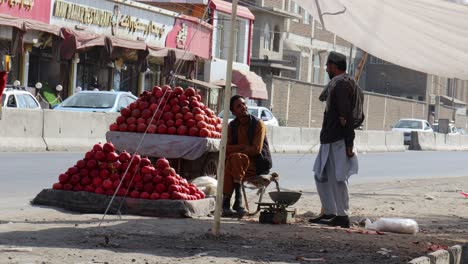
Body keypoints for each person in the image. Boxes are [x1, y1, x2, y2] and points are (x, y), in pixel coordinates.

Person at [309, 51, 359, 228]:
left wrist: (349, 142)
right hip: (329, 139)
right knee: (321, 175)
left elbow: (345, 115)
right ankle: (330, 212)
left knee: (339, 178)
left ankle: (342, 215)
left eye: (328, 66)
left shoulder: (342, 85)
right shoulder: (335, 84)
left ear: (334, 66)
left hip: (338, 139)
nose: (326, 69)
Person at [222, 95, 272, 217]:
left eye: (244, 104)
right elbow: (225, 148)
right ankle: (236, 204)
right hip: (238, 166)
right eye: (239, 106)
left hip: (256, 165)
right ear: (233, 112)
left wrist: (237, 149)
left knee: (234, 159)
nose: (243, 107)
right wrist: (243, 147)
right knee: (233, 159)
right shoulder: (232, 126)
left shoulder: (258, 124)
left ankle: (229, 202)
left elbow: (256, 149)